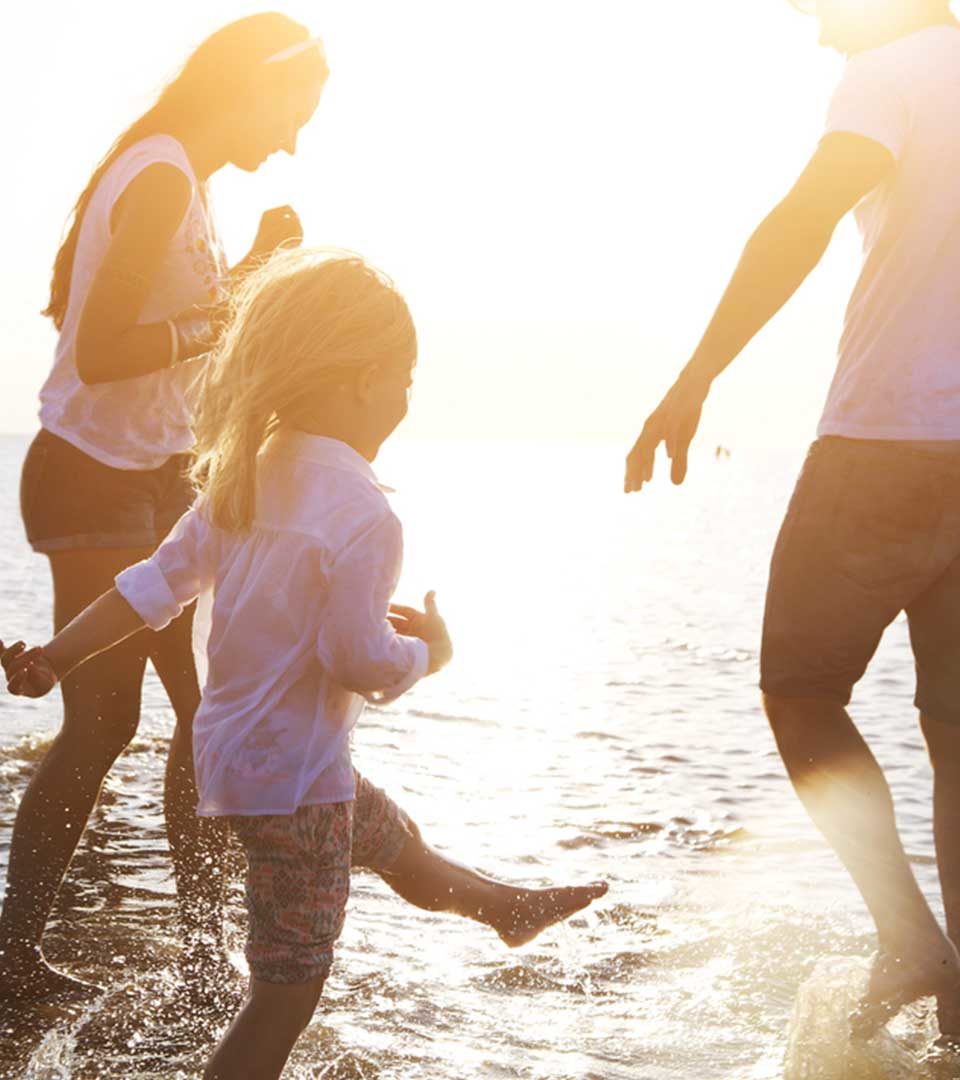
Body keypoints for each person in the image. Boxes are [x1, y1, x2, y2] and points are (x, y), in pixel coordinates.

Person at [2, 249, 607, 1079]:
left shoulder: (241, 479)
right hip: (297, 788)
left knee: (394, 844)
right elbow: (356, 659)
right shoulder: (363, 513)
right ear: (363, 380)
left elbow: (152, 590)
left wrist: (55, 655)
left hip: (239, 766)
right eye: (404, 379)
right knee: (284, 994)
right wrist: (429, 652)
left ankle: (504, 908)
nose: (404, 399)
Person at [624, 0, 960, 1044]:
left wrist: (696, 374)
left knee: (801, 692)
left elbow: (806, 217)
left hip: (890, 440)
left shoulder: (892, 73)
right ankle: (958, 1014)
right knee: (955, 737)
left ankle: (912, 940)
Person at [1, 12, 330, 1002]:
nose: (291, 141)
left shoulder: (176, 176)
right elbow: (102, 349)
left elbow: (161, 330)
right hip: (91, 472)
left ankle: (201, 954)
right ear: (251, 86)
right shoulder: (158, 174)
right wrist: (233, 303)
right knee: (106, 724)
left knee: (202, 712)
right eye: (292, 112)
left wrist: (243, 277)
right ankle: (15, 960)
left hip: (147, 474)